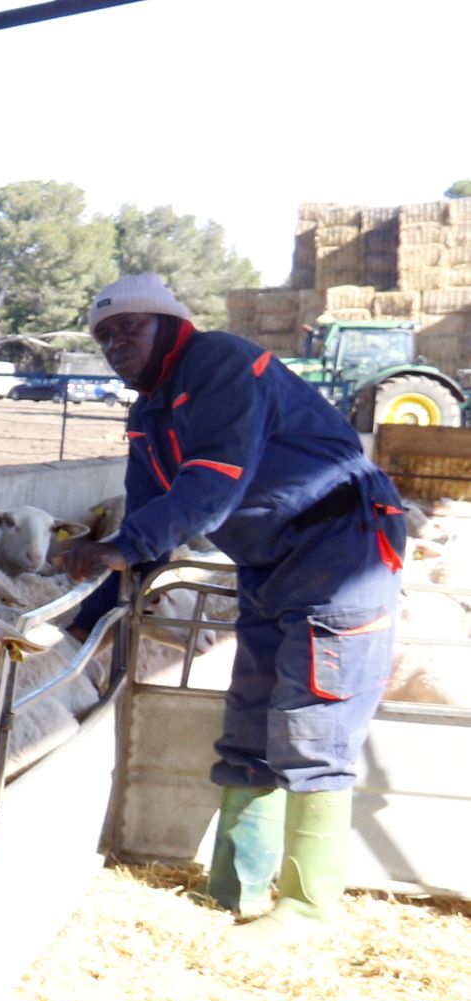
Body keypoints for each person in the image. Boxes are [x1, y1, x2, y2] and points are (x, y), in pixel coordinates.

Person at [60, 273, 405, 943]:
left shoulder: (217, 361)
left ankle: (307, 908)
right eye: (104, 333)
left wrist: (126, 546)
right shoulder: (149, 411)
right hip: (268, 558)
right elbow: (149, 514)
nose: (115, 341)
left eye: (130, 325)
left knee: (314, 716)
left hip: (341, 546)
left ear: (169, 322)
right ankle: (235, 886)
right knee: (248, 716)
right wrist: (83, 618)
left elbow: (212, 482)